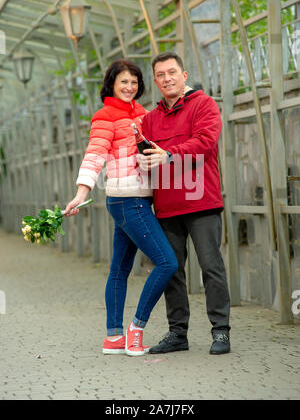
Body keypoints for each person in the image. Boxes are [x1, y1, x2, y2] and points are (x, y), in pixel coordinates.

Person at [64, 59, 178, 357]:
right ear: (111, 84)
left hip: (136, 199)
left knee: (119, 270)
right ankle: (135, 329)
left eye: (134, 81)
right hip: (128, 201)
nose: (129, 87)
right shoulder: (105, 116)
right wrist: (81, 192)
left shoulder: (144, 113)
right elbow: (94, 156)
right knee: (167, 262)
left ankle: (113, 338)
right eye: (123, 81)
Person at [137, 51, 231, 355]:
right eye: (161, 75)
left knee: (210, 267)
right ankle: (178, 333)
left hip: (202, 202)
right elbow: (144, 159)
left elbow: (205, 142)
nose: (167, 79)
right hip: (166, 206)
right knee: (171, 270)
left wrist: (168, 155)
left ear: (184, 74)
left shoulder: (204, 105)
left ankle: (221, 332)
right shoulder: (150, 119)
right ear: (155, 81)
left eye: (172, 72)